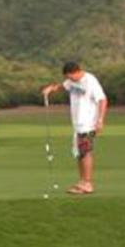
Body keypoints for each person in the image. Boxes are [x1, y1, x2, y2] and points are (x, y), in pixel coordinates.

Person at [41, 61, 107, 195]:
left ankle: (88, 183)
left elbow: (102, 100)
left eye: (71, 77)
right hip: (77, 125)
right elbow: (62, 86)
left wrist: (100, 120)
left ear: (77, 71)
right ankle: (82, 181)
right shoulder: (71, 82)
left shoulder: (90, 81)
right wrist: (51, 89)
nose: (69, 80)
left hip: (88, 123)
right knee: (78, 153)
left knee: (85, 152)